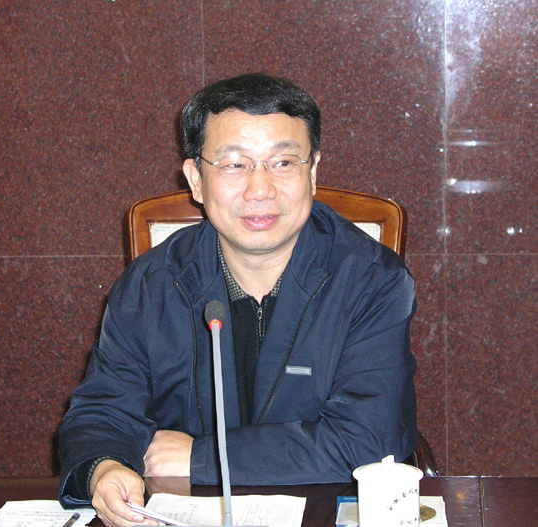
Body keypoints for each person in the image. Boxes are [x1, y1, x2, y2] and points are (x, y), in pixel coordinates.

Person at [58, 73, 417, 526]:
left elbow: (367, 440)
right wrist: (105, 467)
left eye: (283, 162)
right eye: (234, 165)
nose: (260, 189)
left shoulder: (371, 280)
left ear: (313, 171)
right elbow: (102, 410)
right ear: (196, 179)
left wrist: (200, 457)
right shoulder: (150, 284)